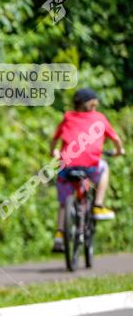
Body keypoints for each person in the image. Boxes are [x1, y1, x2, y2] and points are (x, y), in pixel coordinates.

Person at [50, 87, 124, 252]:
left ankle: (59, 236)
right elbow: (116, 140)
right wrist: (119, 151)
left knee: (64, 203)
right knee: (104, 167)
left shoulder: (67, 117)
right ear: (90, 105)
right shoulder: (99, 118)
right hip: (90, 168)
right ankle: (98, 204)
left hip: (66, 167)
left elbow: (55, 139)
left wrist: (53, 152)